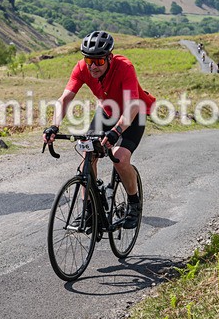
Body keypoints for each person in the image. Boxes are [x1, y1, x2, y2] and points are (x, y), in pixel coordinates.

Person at [43, 31, 155, 229]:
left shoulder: (125, 67)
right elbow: (65, 99)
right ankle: (90, 210)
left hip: (133, 113)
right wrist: (54, 126)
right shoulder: (81, 68)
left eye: (99, 61)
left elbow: (132, 106)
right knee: (87, 153)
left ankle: (134, 204)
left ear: (109, 58)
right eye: (89, 60)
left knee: (119, 157)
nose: (93, 66)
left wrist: (116, 131)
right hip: (107, 111)